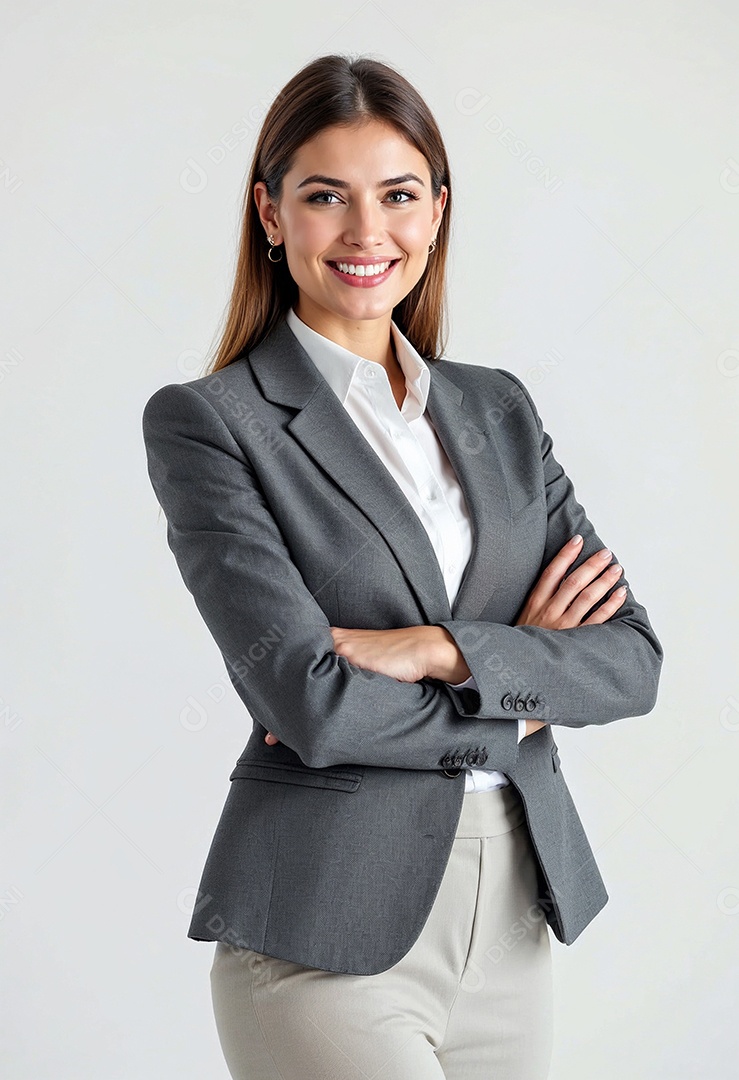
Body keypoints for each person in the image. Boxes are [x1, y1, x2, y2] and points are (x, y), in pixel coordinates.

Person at [142, 53, 663, 1080]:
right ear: (269, 213)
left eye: (397, 195)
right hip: (323, 929)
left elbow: (630, 662)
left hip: (513, 911)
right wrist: (521, 687)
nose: (365, 232)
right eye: (325, 196)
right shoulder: (214, 425)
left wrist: (436, 650)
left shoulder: (499, 408)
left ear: (436, 212)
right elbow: (311, 701)